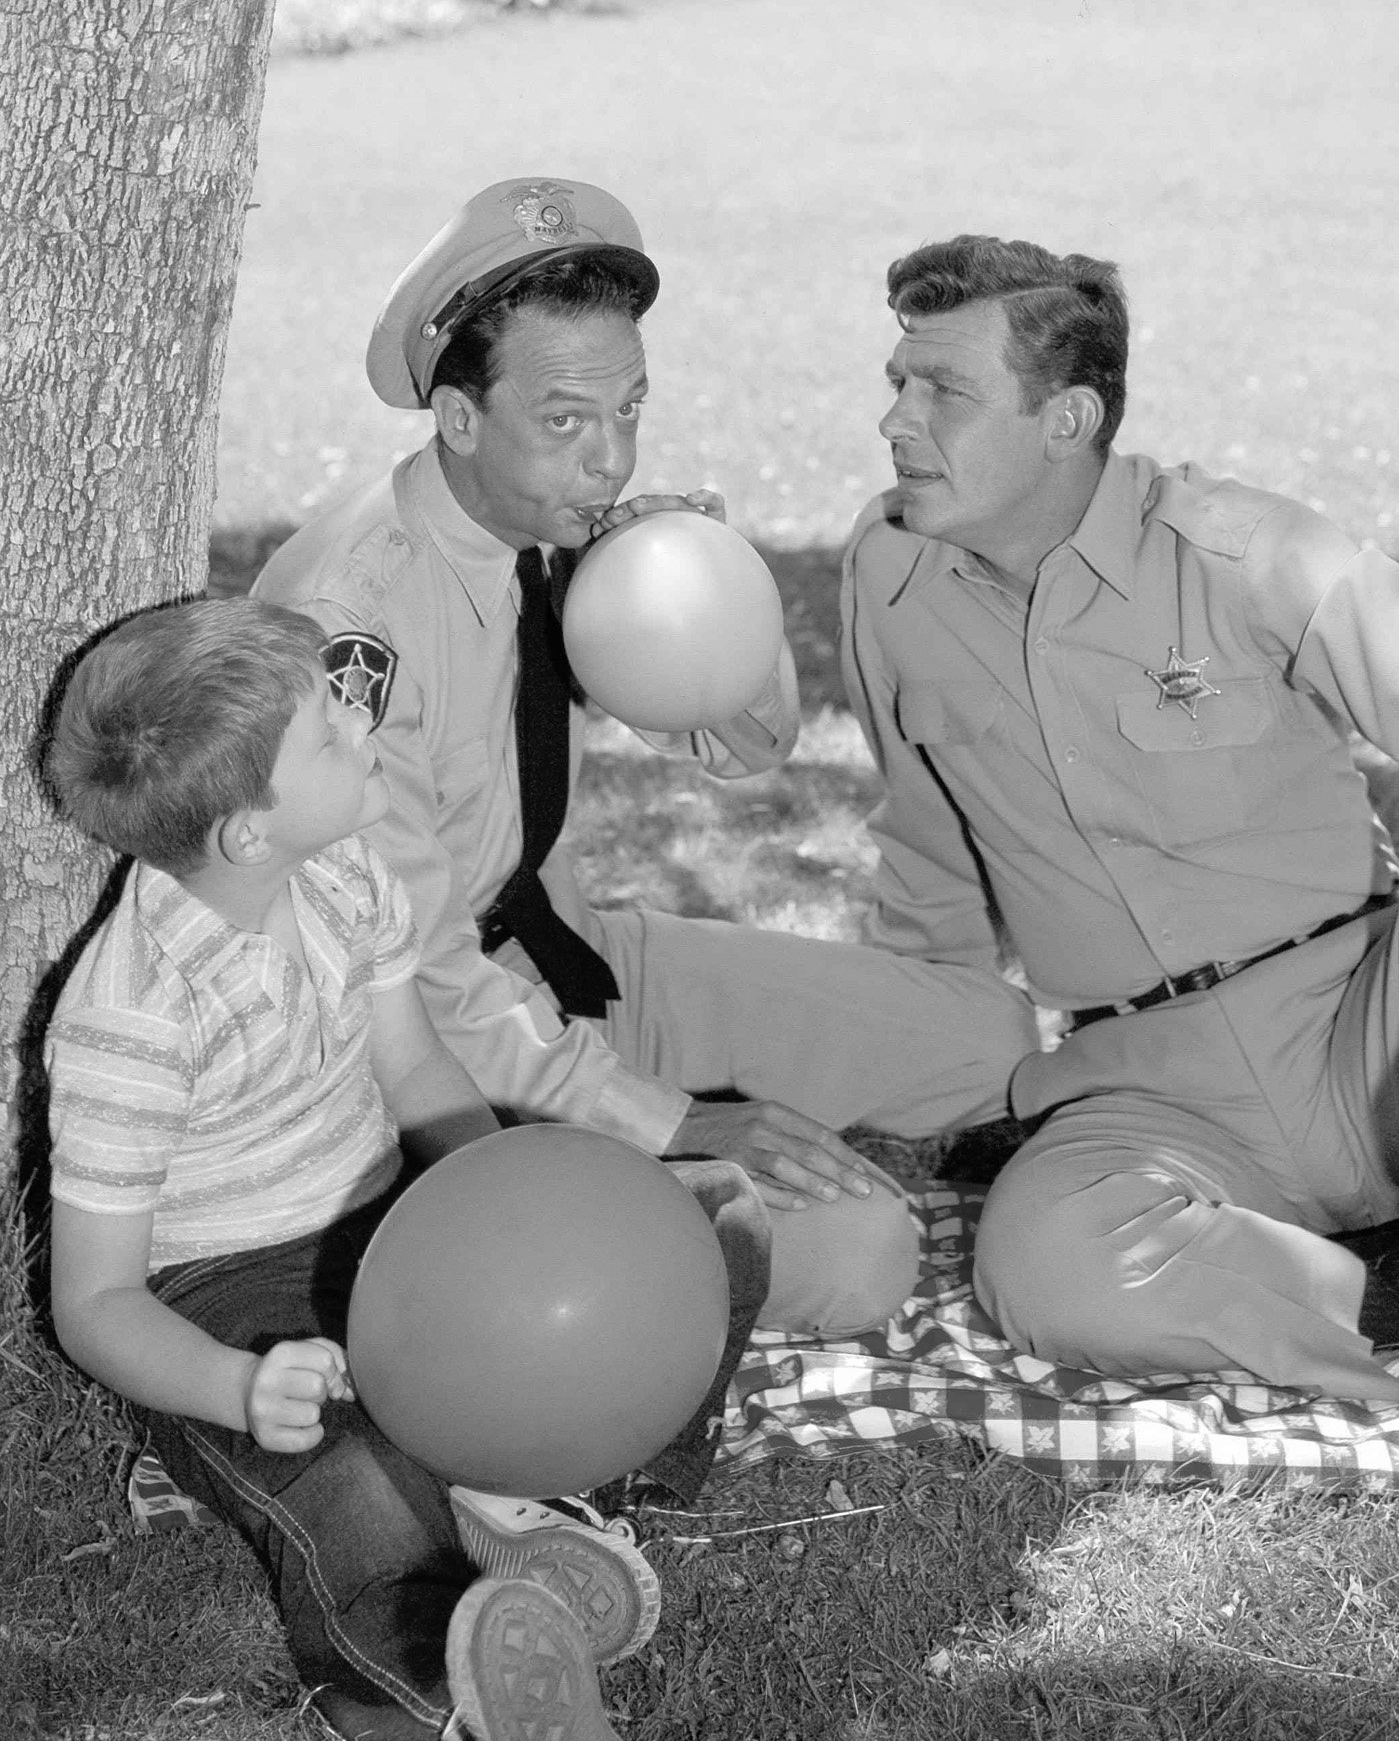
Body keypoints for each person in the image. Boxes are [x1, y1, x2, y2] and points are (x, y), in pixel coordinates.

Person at [43, 597, 778, 1741]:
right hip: (234, 1299)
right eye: (330, 736)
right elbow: (94, 1301)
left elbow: (414, 1064)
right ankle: (441, 1687)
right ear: (248, 831)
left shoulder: (343, 877)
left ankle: (565, 1502)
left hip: (399, 1225)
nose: (363, 728)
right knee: (357, 1489)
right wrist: (238, 1389)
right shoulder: (132, 1018)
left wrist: (523, 1197)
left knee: (713, 1219)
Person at [253, 176, 928, 1334]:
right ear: (459, 418)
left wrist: (704, 579)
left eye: (630, 408)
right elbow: (409, 978)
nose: (608, 458)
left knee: (976, 1039)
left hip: (572, 958)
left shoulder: (566, 540)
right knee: (859, 1253)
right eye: (565, 419)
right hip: (442, 1047)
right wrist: (670, 1121)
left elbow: (744, 752)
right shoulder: (352, 619)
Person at [834, 231, 1399, 1401]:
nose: (895, 421)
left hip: (1376, 1017)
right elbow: (924, 850)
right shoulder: (886, 578)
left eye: (943, 389)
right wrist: (924, 1085)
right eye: (896, 382)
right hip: (1146, 1092)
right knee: (1041, 1263)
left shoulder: (1239, 550)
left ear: (1068, 420)